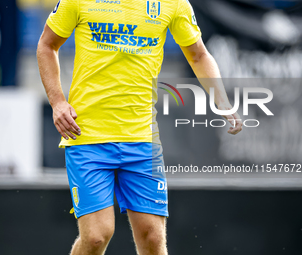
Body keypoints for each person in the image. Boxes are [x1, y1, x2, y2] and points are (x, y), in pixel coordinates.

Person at [37, 0, 242, 254]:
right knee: (96, 237)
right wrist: (58, 102)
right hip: (86, 135)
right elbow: (47, 45)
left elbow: (198, 54)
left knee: (153, 238)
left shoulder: (174, 3)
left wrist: (222, 101)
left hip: (143, 139)